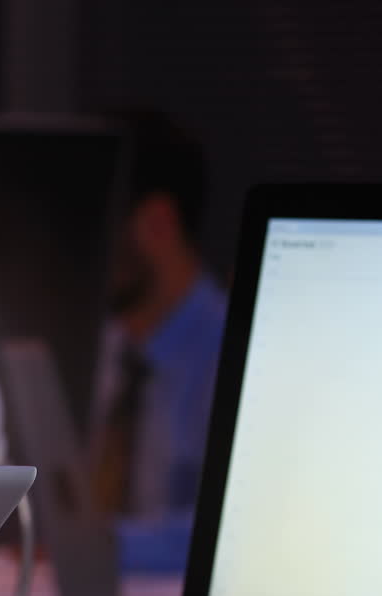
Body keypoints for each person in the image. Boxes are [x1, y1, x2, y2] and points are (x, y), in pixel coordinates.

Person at [89, 109, 228, 570]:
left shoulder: (239, 356)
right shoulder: (103, 352)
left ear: (157, 224)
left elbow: (230, 537)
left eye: (92, 224)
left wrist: (95, 547)